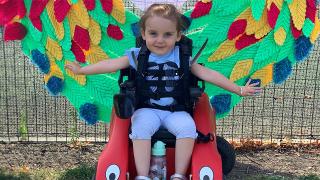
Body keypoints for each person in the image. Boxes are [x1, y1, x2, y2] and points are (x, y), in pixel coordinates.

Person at [65, 3, 262, 180]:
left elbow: (209, 74)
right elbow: (110, 64)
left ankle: (178, 174)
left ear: (178, 36)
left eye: (167, 35)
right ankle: (142, 175)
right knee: (140, 128)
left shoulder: (184, 57)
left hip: (176, 111)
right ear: (143, 34)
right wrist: (82, 70)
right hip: (146, 109)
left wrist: (239, 89)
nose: (160, 40)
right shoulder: (137, 56)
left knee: (188, 129)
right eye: (153, 34)